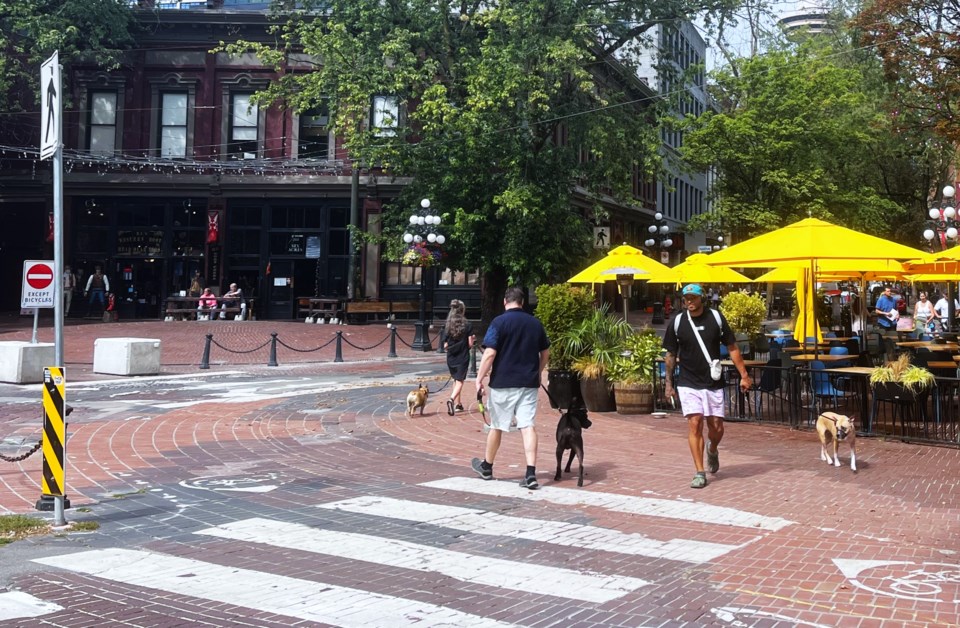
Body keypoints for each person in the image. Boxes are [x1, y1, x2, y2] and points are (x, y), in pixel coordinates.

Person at [662, 284, 751, 489]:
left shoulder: (716, 318)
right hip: (688, 381)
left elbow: (732, 347)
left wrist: (744, 375)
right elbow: (670, 355)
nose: (689, 302)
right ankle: (699, 472)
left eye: (693, 298)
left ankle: (712, 448)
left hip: (712, 381)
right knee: (695, 423)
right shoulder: (677, 322)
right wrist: (669, 384)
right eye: (686, 299)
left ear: (702, 298)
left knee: (717, 427)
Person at [472, 286, 550, 490]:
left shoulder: (499, 322)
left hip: (503, 382)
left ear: (505, 302)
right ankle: (531, 473)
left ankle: (487, 467)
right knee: (527, 425)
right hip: (528, 382)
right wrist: (538, 371)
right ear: (522, 302)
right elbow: (545, 352)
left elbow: (489, 354)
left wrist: (479, 378)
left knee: (497, 425)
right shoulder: (535, 323)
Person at [443, 299, 474, 415]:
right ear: (462, 310)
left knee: (455, 379)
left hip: (451, 357)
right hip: (462, 356)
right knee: (460, 381)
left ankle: (458, 404)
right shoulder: (468, 324)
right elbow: (470, 344)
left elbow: (445, 345)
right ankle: (451, 400)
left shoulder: (448, 325)